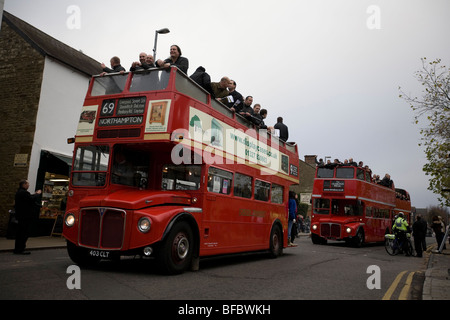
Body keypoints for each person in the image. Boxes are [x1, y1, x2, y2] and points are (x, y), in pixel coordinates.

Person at [14, 180, 42, 255]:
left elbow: (29, 200)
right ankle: (20, 249)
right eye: (27, 184)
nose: (28, 185)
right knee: (23, 233)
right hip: (25, 216)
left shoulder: (19, 192)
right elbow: (31, 199)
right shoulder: (23, 193)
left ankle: (18, 249)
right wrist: (37, 194)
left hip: (21, 216)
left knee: (20, 233)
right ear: (23, 184)